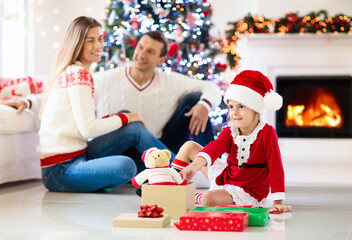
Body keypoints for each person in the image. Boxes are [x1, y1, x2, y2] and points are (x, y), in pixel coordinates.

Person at [35, 16, 172, 192]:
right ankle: (178, 170)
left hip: (79, 154)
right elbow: (88, 129)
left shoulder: (74, 71)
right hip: (60, 170)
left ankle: (177, 169)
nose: (98, 45)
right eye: (90, 40)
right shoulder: (78, 73)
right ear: (78, 43)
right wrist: (126, 117)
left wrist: (125, 117)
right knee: (126, 166)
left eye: (100, 39)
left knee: (131, 125)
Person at [171, 70, 292, 212]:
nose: (234, 112)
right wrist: (193, 167)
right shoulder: (230, 131)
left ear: (255, 109)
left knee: (207, 199)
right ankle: (171, 187)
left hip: (247, 190)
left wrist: (277, 201)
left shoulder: (267, 133)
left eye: (241, 106)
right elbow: (215, 147)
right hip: (226, 177)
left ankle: (191, 196)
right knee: (189, 146)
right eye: (231, 107)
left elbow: (276, 167)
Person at [92, 30, 221, 154]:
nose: (142, 55)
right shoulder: (105, 78)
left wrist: (204, 105)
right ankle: (175, 167)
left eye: (150, 52)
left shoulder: (170, 81)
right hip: (117, 149)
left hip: (154, 149)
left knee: (195, 98)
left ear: (161, 60)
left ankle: (214, 165)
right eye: (140, 47)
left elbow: (211, 87)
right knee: (127, 118)